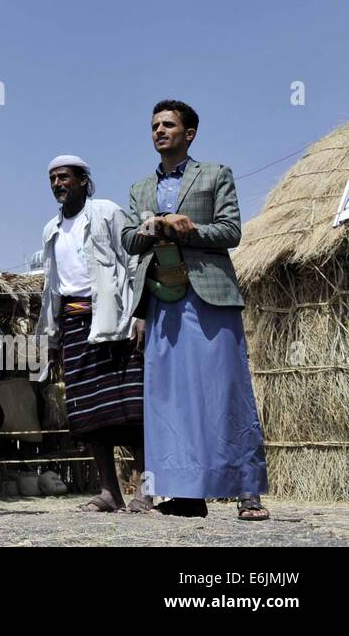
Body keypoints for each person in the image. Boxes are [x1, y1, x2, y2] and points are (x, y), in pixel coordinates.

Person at [121, 100, 269, 521]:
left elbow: (232, 230)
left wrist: (192, 228)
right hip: (162, 301)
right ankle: (186, 495)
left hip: (210, 294)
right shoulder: (140, 189)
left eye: (169, 125)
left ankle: (247, 491)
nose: (159, 131)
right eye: (154, 125)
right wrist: (153, 227)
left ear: (190, 134)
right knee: (169, 399)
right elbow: (131, 240)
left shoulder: (215, 174)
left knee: (226, 390)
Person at [36, 156, 146, 513]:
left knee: (132, 410)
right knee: (88, 415)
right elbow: (52, 288)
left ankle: (144, 490)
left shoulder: (107, 212)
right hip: (73, 326)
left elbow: (133, 263)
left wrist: (139, 315)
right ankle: (109, 492)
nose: (57, 183)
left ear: (83, 180)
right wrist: (52, 340)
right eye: (52, 178)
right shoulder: (50, 230)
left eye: (64, 177)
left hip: (114, 323)